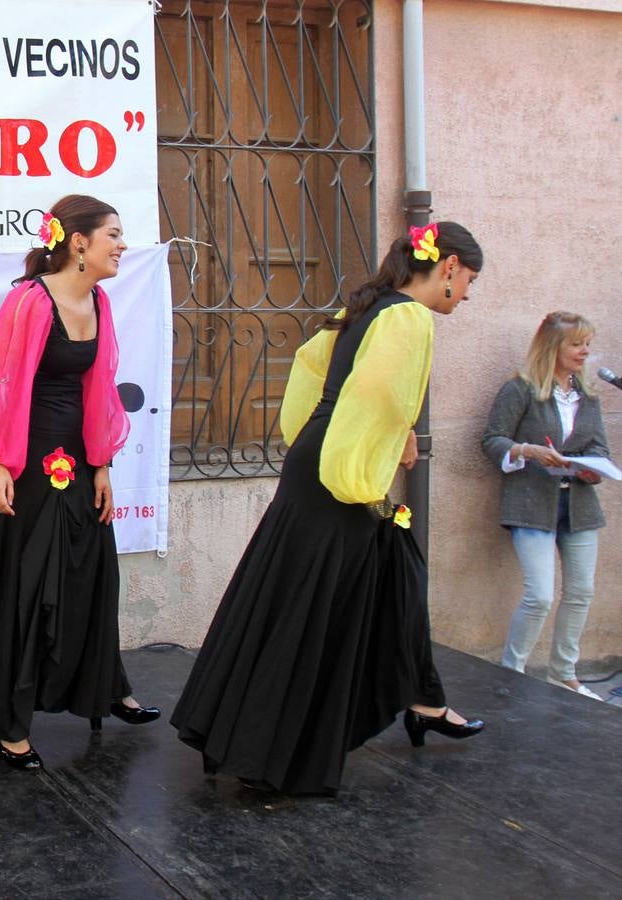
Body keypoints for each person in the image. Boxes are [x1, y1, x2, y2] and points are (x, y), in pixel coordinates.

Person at [170, 221, 487, 796]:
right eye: (467, 281)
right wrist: (366, 475)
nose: (465, 294)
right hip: (341, 474)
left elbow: (314, 367)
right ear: (448, 267)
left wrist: (381, 439)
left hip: (321, 456)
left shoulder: (368, 307)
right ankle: (276, 747)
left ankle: (421, 698)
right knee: (309, 606)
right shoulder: (409, 317)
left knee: (352, 585)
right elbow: (379, 396)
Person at [0, 194, 159, 770]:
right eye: (114, 233)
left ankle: (103, 686)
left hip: (81, 462)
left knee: (89, 577)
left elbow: (101, 390)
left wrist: (103, 465)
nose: (122, 244)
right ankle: (10, 725)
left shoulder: (102, 302)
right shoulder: (29, 301)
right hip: (28, 460)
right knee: (27, 591)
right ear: (78, 242)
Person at [481, 312, 609, 700]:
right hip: (532, 502)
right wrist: (525, 450)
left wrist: (590, 468)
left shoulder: (587, 395)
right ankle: (512, 672)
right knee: (540, 595)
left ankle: (564, 674)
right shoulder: (520, 389)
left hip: (580, 504)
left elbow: (598, 447)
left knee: (581, 591)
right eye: (576, 344)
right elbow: (492, 440)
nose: (585, 351)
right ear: (552, 347)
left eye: (587, 343)